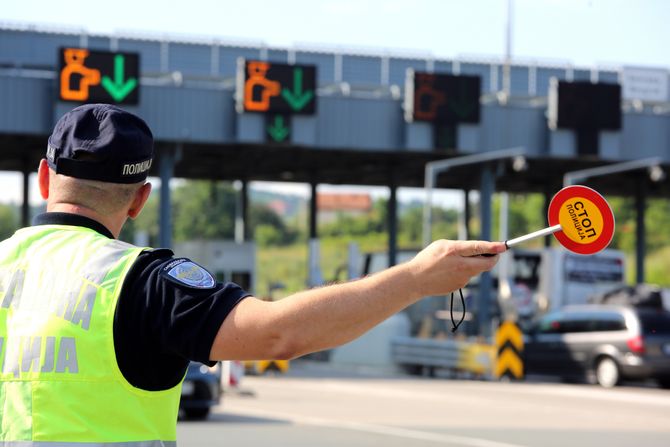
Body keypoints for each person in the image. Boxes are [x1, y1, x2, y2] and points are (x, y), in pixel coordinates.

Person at [0, 103, 505, 445]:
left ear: (45, 177)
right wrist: (416, 277)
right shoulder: (143, 280)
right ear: (139, 199)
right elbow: (280, 332)